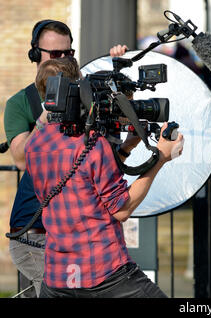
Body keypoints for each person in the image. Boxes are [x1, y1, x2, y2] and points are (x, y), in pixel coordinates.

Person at [25, 55, 184, 298]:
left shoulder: (34, 145)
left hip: (57, 277)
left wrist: (124, 150)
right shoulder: (90, 143)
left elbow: (79, 181)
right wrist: (161, 156)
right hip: (103, 272)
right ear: (75, 89)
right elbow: (121, 209)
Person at [3, 19, 128, 297]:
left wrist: (118, 73)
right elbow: (23, 159)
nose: (63, 59)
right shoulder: (20, 103)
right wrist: (48, 112)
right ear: (36, 56)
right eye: (55, 55)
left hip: (80, 230)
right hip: (36, 232)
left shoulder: (85, 94)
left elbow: (113, 132)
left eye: (68, 54)